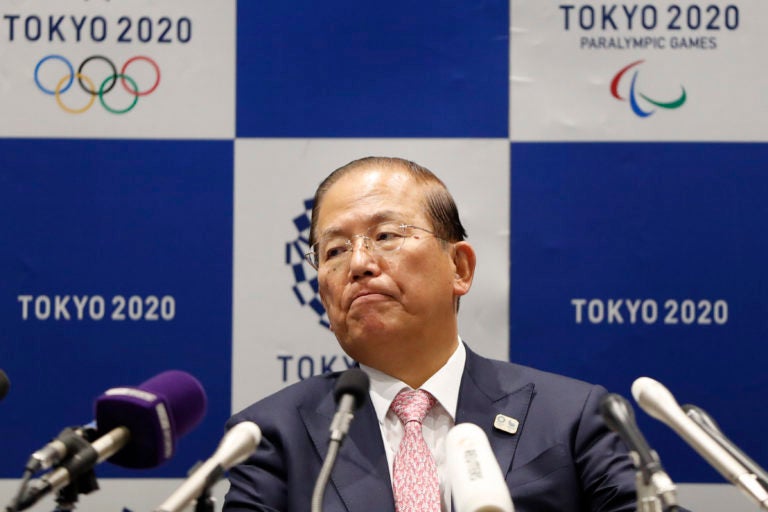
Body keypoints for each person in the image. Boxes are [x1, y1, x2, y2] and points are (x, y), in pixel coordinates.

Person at [223, 156, 638, 512]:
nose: (359, 263)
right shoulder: (272, 435)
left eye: (386, 236)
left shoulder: (573, 417)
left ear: (459, 268)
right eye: (334, 250)